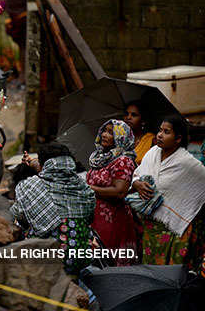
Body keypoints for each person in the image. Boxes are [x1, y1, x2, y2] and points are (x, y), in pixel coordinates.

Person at [131, 116, 205, 274]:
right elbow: (136, 174)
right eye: (160, 130)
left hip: (174, 231)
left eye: (166, 132)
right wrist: (136, 183)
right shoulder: (152, 153)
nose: (159, 135)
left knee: (170, 275)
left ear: (178, 139)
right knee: (150, 272)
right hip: (149, 229)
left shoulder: (187, 163)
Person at [11, 143, 95, 275]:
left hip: (49, 259)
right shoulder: (83, 186)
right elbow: (90, 218)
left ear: (44, 165)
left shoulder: (31, 186)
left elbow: (17, 215)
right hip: (81, 258)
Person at [86, 120, 138, 265]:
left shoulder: (123, 161)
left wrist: (88, 188)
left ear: (121, 138)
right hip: (94, 218)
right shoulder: (99, 158)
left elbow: (119, 191)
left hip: (112, 219)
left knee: (108, 261)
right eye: (104, 130)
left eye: (111, 132)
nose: (104, 135)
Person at [124, 100, 155, 165]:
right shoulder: (119, 138)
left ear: (143, 121)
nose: (128, 117)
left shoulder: (151, 140)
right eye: (126, 114)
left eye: (134, 115)